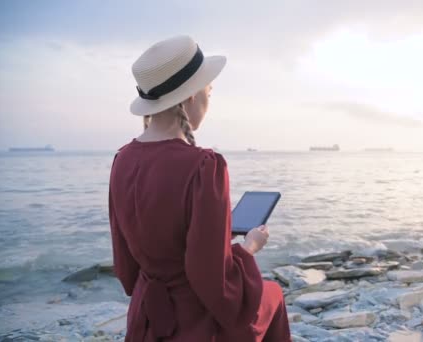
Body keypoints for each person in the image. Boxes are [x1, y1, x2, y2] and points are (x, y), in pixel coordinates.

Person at [108, 35, 291, 341]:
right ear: (191, 97)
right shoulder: (204, 165)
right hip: (195, 321)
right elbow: (211, 280)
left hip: (146, 317)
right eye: (209, 91)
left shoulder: (121, 160)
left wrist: (219, 233)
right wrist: (250, 247)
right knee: (272, 295)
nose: (209, 99)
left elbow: (126, 267)